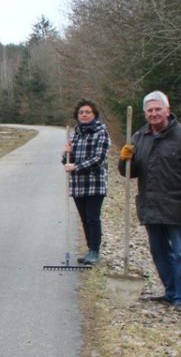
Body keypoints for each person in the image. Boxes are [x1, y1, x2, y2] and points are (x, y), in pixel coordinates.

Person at [119, 91, 181, 312]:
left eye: (158, 109)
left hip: (178, 208)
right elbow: (129, 173)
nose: (154, 113)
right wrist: (124, 159)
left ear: (167, 110)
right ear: (145, 113)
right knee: (159, 253)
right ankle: (170, 292)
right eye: (150, 110)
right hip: (151, 207)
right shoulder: (139, 137)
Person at [62, 99, 111, 265]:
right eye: (81, 112)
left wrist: (75, 167)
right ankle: (90, 249)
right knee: (84, 218)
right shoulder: (74, 134)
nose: (84, 115)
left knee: (92, 217)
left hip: (95, 182)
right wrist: (66, 153)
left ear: (94, 114)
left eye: (87, 112)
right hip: (78, 184)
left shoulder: (101, 132)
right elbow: (67, 162)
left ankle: (95, 251)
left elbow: (98, 159)